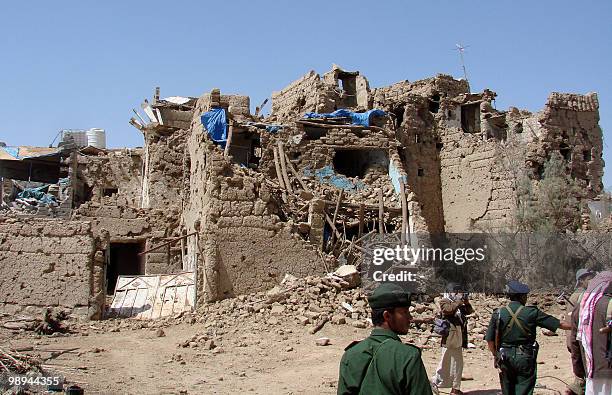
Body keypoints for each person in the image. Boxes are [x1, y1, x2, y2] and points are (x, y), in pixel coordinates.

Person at [337, 282, 433, 395]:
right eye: (404, 312)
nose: (410, 317)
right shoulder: (408, 356)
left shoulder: (350, 354)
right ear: (387, 316)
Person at [485, 280, 572, 395]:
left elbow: (490, 340)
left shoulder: (498, 313)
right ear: (522, 297)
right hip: (525, 357)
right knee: (524, 389)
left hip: (505, 357)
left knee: (507, 390)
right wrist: (578, 326)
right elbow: (559, 324)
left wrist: (495, 355)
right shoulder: (531, 312)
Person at [573, 271, 612, 395]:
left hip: (590, 369)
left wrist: (579, 370)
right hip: (608, 369)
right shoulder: (609, 304)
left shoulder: (581, 306)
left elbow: (574, 342)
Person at [432, 283, 474, 395]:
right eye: (456, 291)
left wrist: (466, 302)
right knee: (445, 362)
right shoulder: (444, 301)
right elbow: (448, 310)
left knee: (458, 363)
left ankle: (455, 388)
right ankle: (436, 383)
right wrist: (459, 301)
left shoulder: (457, 303)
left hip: (459, 336)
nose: (457, 294)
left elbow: (469, 311)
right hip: (450, 337)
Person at [565, 269, 595, 395]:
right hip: (578, 341)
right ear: (581, 281)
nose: (592, 281)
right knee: (584, 376)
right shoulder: (581, 297)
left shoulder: (577, 295)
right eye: (589, 279)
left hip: (575, 340)